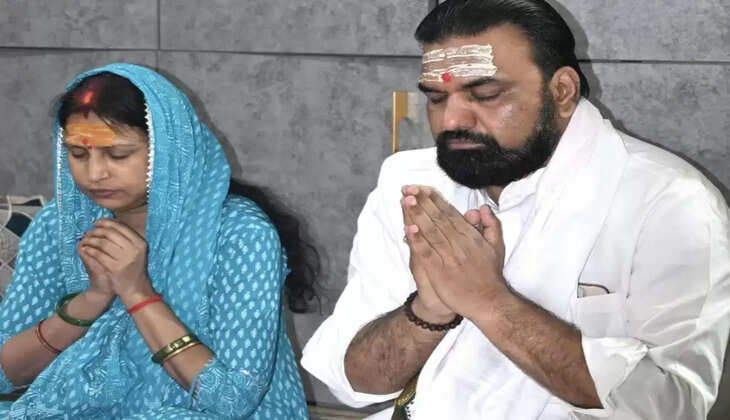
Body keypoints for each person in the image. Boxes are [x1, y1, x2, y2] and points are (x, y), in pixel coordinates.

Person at [301, 1, 730, 419]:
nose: (451, 121)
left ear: (562, 91)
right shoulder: (413, 181)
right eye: (436, 98)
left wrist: (490, 302)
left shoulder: (668, 201)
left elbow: (673, 407)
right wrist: (427, 311)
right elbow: (352, 383)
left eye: (486, 95)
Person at [0, 63, 311, 419]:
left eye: (118, 155)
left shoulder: (240, 233)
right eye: (78, 153)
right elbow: (5, 373)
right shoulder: (62, 225)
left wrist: (137, 293)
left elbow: (232, 399)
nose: (95, 173)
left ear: (168, 151)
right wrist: (91, 300)